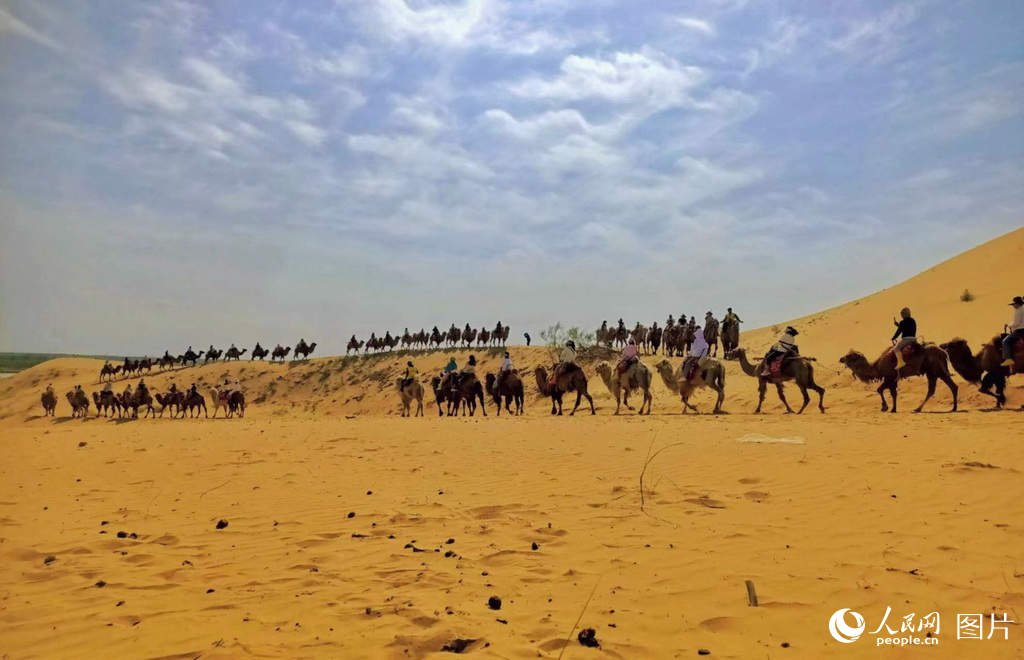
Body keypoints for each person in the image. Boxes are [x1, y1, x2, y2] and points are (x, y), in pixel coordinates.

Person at [1001, 296, 1024, 367]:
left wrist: (1009, 325)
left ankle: (1008, 359)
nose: (1013, 306)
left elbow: (1016, 323)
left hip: (1019, 331)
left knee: (1005, 341)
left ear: (1018, 304)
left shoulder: (1018, 311)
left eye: (1014, 304)